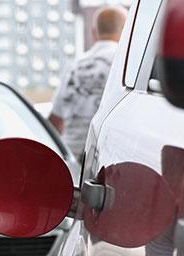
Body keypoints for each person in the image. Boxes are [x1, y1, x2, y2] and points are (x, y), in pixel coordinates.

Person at [48, 5, 127, 161]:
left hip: (72, 157)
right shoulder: (124, 62)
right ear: (126, 30)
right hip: (105, 157)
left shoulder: (74, 66)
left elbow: (55, 121)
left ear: (94, 32)